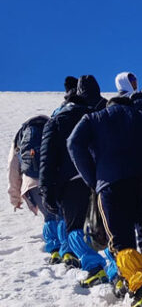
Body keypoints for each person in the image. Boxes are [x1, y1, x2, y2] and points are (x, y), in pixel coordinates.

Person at [68, 95, 142, 307]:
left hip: (110, 185)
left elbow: (73, 143)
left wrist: (93, 178)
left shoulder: (93, 118)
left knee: (120, 241)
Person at [39, 75, 109, 286]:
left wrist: (47, 190)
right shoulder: (95, 116)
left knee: (74, 229)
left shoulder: (56, 121)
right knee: (105, 227)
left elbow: (47, 159)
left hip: (70, 182)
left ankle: (94, 268)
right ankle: (118, 270)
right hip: (98, 178)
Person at [7, 115, 69, 264]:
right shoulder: (52, 128)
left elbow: (13, 168)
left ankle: (54, 250)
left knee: (49, 216)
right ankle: (67, 252)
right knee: (61, 215)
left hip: (32, 184)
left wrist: (15, 198)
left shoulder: (21, 135)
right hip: (54, 180)